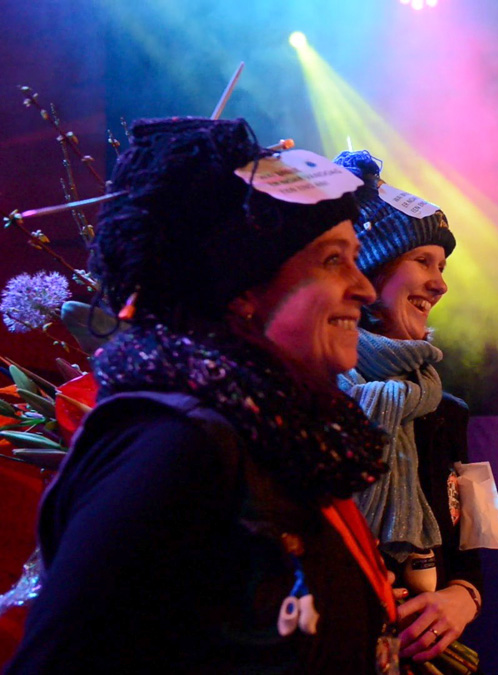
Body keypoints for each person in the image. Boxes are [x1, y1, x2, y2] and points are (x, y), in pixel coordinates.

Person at [7, 118, 398, 673]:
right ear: (242, 289)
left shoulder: (284, 434)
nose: (364, 288)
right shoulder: (171, 446)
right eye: (333, 259)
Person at [332, 151, 483, 664]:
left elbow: (471, 548)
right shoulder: (313, 399)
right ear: (370, 270)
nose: (440, 283)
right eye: (422, 261)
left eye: (442, 267)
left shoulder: (445, 411)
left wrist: (461, 599)